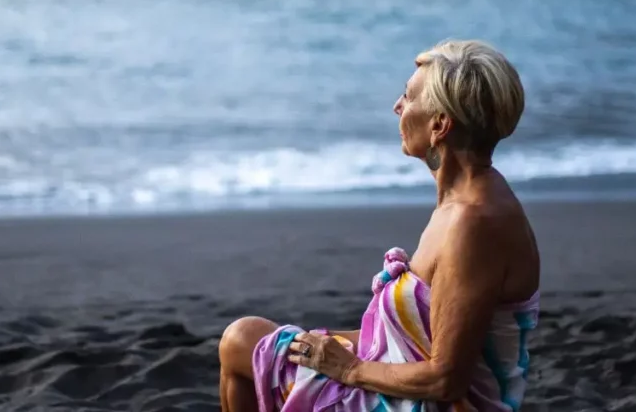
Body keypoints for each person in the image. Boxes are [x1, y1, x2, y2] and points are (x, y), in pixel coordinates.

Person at [218, 40, 541, 412]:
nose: (397, 106)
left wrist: (350, 368)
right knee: (252, 340)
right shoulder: (467, 201)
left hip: (434, 404)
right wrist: (325, 346)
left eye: (408, 96)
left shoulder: (473, 223)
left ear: (439, 125)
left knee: (242, 341)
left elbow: (445, 379)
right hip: (401, 378)